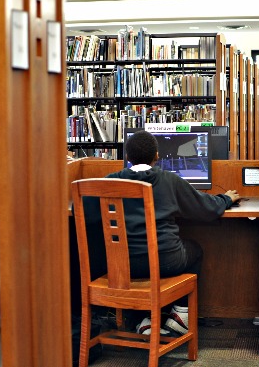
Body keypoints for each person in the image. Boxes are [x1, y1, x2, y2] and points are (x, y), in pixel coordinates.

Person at [103, 130, 242, 336]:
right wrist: (226, 199)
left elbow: (86, 212)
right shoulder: (169, 180)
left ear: (127, 158)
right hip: (165, 261)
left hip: (121, 265)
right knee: (194, 249)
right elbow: (206, 209)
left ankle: (141, 319)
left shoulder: (109, 183)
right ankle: (181, 315)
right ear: (157, 155)